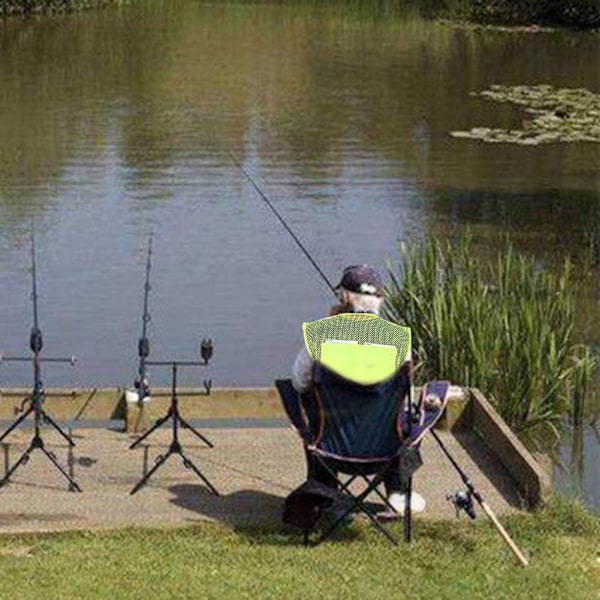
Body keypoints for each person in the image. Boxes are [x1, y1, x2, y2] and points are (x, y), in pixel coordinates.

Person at [291, 264, 426, 516]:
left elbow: (299, 382)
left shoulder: (321, 334)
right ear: (380, 301)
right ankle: (397, 490)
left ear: (343, 297)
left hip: (331, 450)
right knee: (410, 414)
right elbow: (406, 396)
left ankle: (322, 490)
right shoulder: (399, 340)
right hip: (385, 452)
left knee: (304, 400)